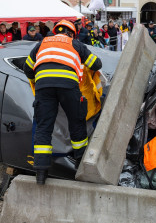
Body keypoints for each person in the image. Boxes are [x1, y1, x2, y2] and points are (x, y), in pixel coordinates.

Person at [23, 20, 102, 185]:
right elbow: (96, 64)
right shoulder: (75, 44)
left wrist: (40, 82)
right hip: (68, 85)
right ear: (72, 33)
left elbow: (28, 68)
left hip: (44, 86)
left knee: (44, 127)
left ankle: (41, 173)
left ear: (55, 32)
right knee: (77, 122)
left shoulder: (41, 44)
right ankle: (80, 165)